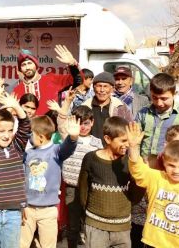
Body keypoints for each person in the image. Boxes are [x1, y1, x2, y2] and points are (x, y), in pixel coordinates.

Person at [78, 116, 144, 248]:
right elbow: (83, 189)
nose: (127, 144)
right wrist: (90, 215)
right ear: (108, 139)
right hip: (95, 225)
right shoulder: (91, 158)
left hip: (122, 227)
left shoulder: (130, 162)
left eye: (129, 141)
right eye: (123, 140)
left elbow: (137, 193)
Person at [20, 115, 79, 248]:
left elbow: (67, 148)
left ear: (40, 136)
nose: (30, 137)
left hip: (48, 210)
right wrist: (22, 204)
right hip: (28, 208)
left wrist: (73, 137)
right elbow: (21, 178)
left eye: (32, 134)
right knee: (21, 243)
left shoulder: (56, 151)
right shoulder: (28, 153)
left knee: (48, 244)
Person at [0, 94, 31, 248]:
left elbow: (25, 127)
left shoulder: (16, 147)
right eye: (1, 131)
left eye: (10, 131)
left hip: (13, 212)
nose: (7, 135)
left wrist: (17, 107)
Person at [127, 122, 179, 247]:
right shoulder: (157, 178)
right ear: (165, 161)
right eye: (171, 165)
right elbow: (138, 170)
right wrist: (134, 147)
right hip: (151, 242)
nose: (176, 171)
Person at [57, 105, 103, 248]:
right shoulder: (69, 138)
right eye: (79, 123)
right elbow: (61, 122)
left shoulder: (97, 142)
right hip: (72, 187)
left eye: (86, 123)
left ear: (92, 122)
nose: (82, 127)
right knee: (73, 223)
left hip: (90, 189)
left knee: (88, 222)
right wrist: (66, 106)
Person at [13, 45, 82, 115]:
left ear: (36, 65)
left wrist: (72, 64)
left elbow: (78, 81)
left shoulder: (51, 79)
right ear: (20, 69)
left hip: (51, 124)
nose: (27, 67)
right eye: (23, 65)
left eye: (29, 63)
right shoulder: (17, 90)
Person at [135, 72, 179, 167]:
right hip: (145, 167)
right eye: (154, 98)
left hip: (171, 169)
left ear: (174, 94)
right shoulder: (143, 113)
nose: (159, 103)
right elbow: (135, 140)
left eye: (164, 98)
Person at [82, 72, 133, 139]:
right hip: (89, 148)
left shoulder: (120, 107)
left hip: (113, 148)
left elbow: (130, 131)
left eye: (105, 86)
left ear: (112, 89)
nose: (102, 90)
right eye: (99, 86)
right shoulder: (85, 106)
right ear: (94, 88)